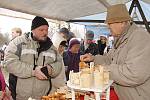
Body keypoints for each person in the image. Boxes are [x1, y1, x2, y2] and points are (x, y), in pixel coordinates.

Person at [80, 4, 150, 100]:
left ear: (122, 22)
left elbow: (134, 74)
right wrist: (93, 58)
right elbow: (109, 59)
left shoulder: (140, 37)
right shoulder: (121, 39)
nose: (107, 26)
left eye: (110, 23)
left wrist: (103, 69)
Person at [4, 16, 62, 100]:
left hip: (43, 97)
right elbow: (9, 63)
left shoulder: (51, 47)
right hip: (20, 96)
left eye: (46, 30)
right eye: (41, 30)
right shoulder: (18, 43)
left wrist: (51, 69)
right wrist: (33, 71)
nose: (45, 32)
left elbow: (59, 63)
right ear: (33, 30)